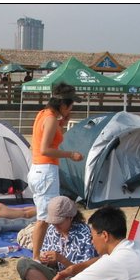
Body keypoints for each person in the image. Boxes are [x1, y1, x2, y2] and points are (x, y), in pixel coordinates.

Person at [28, 82, 84, 262]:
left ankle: (39, 253)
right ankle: (36, 257)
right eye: (70, 105)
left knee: (44, 215)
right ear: (64, 105)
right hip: (45, 170)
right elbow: (45, 149)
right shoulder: (51, 119)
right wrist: (70, 154)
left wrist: (63, 121)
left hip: (37, 169)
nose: (71, 109)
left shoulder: (43, 114)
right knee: (45, 218)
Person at [16, 196, 97, 280]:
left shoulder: (84, 234)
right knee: (23, 264)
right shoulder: (52, 230)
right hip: (57, 278)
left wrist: (61, 259)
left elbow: (85, 271)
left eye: (59, 222)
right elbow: (47, 258)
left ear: (70, 218)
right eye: (54, 223)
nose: (56, 226)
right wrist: (47, 260)